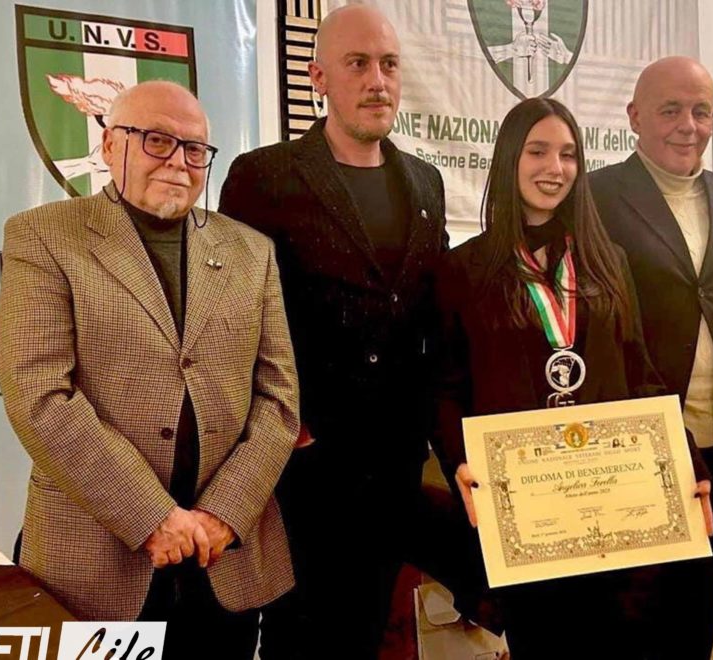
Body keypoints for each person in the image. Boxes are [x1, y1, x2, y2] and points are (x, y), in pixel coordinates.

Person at [0, 81, 300, 659]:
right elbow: (38, 395)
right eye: (157, 140)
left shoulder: (252, 251)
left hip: (223, 557)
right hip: (94, 561)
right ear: (111, 145)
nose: (179, 162)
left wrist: (224, 514)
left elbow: (278, 400)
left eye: (195, 149)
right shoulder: (43, 236)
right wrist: (151, 516)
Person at [219, 5, 472, 657]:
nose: (377, 81)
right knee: (301, 640)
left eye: (389, 65)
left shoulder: (425, 182)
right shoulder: (263, 175)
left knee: (365, 634)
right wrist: (285, 427)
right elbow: (232, 315)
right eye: (357, 64)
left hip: (395, 463)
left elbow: (434, 310)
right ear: (319, 77)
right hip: (302, 468)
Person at [435, 97, 713, 659]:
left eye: (567, 155)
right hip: (528, 507)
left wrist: (687, 459)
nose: (554, 168)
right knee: (543, 641)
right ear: (509, 160)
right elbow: (445, 384)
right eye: (537, 152)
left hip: (610, 498)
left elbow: (641, 375)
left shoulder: (608, 261)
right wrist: (458, 458)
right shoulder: (465, 269)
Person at [589, 56, 713, 659]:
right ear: (635, 117)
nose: (689, 125)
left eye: (701, 111)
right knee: (632, 618)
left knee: (695, 612)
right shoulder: (596, 196)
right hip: (637, 438)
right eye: (671, 110)